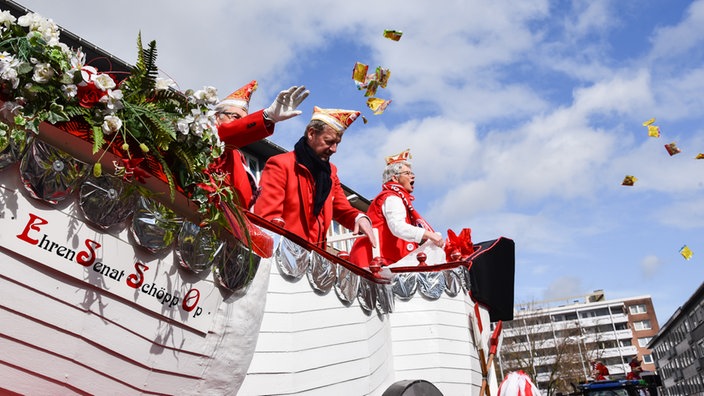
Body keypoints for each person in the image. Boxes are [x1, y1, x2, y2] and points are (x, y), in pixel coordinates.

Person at [254, 106, 376, 249]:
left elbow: (342, 209)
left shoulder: (331, 173)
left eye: (337, 143)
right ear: (311, 134)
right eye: (329, 141)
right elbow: (267, 220)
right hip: (284, 257)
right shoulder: (280, 164)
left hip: (315, 258)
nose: (334, 149)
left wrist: (359, 218)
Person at [213, 80, 309, 209]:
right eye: (236, 117)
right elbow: (224, 134)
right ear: (216, 117)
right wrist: (266, 117)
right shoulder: (207, 135)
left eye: (245, 120)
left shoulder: (238, 157)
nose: (241, 124)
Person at [348, 149, 443, 267]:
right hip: (374, 260)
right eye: (407, 173)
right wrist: (430, 235)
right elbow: (398, 227)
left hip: (379, 259)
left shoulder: (394, 196)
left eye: (412, 173)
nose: (412, 177)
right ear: (394, 178)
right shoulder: (392, 197)